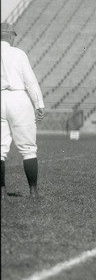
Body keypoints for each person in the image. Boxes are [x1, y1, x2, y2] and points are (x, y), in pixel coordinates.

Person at [1, 22, 45, 199]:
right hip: (18, 98)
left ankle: (2, 192)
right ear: (11, 36)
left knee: (0, 149)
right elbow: (30, 81)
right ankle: (33, 191)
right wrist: (39, 104)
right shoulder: (18, 53)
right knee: (28, 149)